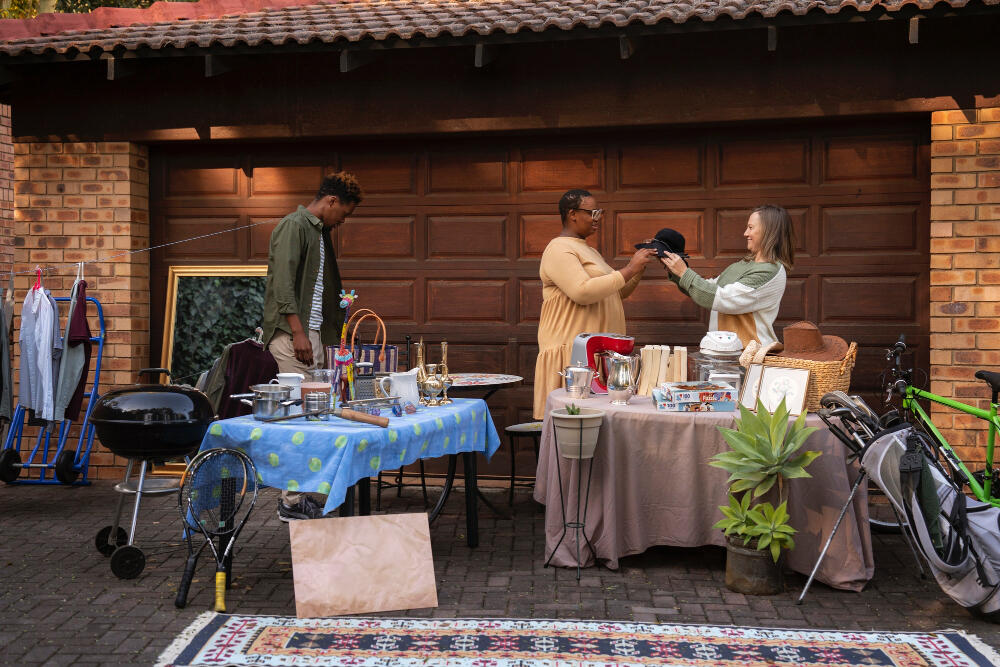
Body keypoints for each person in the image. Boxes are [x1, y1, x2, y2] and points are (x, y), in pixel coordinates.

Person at [261, 171, 363, 521]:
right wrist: (298, 331)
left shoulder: (319, 233)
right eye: (344, 214)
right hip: (294, 336)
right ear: (331, 201)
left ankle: (309, 497)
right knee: (300, 419)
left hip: (312, 334)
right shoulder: (294, 226)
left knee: (316, 418)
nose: (343, 221)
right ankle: (290, 502)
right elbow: (282, 283)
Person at [532, 189, 656, 420]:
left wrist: (637, 268)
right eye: (592, 212)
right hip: (573, 355)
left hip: (596, 354)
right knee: (574, 426)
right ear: (572, 214)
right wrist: (628, 270)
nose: (597, 217)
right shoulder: (559, 249)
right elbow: (582, 292)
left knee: (597, 426)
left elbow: (617, 292)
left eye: (599, 212)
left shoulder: (590, 251)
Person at [659, 204, 793, 348]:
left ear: (768, 231)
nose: (745, 233)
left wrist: (684, 272)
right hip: (725, 355)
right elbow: (708, 288)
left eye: (751, 227)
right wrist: (673, 267)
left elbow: (721, 298)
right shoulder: (742, 265)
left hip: (749, 357)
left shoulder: (769, 271)